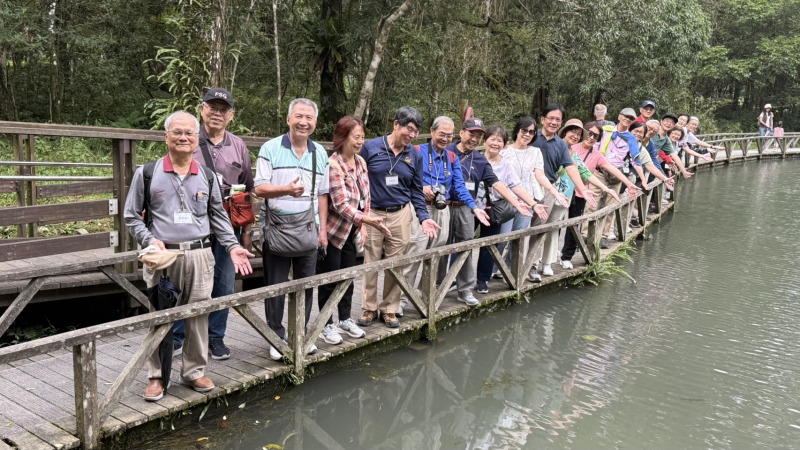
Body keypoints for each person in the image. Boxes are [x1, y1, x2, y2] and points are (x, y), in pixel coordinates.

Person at [124, 111, 254, 401]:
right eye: (177, 132)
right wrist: (148, 239)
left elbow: (219, 217)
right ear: (166, 136)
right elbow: (131, 216)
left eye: (189, 133)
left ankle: (194, 371)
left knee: (197, 315)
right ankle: (156, 376)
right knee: (160, 317)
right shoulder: (147, 173)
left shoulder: (208, 176)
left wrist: (233, 246)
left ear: (197, 139)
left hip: (200, 254)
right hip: (163, 257)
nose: (183, 138)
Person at [172, 87, 253, 361]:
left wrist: (246, 233)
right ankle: (177, 337)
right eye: (212, 107)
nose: (217, 113)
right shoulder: (190, 139)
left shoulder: (238, 146)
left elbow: (248, 190)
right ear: (202, 108)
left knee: (224, 283)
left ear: (231, 115)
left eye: (223, 109)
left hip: (228, 225)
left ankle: (215, 338)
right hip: (192, 225)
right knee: (186, 281)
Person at [254, 98, 330, 361]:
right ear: (288, 119)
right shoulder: (270, 148)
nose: (303, 122)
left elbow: (322, 194)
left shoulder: (319, 153)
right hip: (277, 228)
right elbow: (259, 188)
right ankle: (275, 337)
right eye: (298, 116)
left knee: (306, 285)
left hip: (308, 227)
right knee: (274, 286)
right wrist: (286, 189)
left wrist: (322, 231)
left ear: (315, 123)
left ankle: (300, 334)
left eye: (309, 118)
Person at [357, 106, 441, 329]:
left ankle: (389, 309)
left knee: (396, 264)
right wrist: (360, 216)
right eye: (410, 130)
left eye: (416, 132)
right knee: (371, 262)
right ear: (396, 125)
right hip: (374, 213)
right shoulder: (370, 148)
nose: (413, 136)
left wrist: (423, 217)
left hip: (401, 214)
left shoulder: (414, 154)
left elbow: (416, 190)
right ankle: (369, 307)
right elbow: (358, 181)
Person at [399, 116, 490, 315]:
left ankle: (426, 297)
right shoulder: (416, 151)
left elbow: (459, 186)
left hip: (443, 210)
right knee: (415, 252)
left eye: (449, 135)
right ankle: (402, 299)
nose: (445, 138)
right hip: (420, 208)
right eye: (442, 134)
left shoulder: (451, 158)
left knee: (436, 254)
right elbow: (404, 178)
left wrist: (475, 208)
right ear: (432, 132)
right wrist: (422, 187)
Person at [440, 118, 533, 305]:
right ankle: (437, 285)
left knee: (465, 246)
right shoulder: (445, 152)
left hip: (466, 207)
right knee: (440, 246)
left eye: (478, 135)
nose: (474, 138)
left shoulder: (480, 159)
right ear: (462, 132)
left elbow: (496, 182)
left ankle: (465, 289)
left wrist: (517, 202)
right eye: (471, 134)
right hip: (442, 207)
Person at [315, 116, 391, 344]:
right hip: (333, 232)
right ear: (343, 137)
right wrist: (369, 220)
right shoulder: (334, 165)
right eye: (356, 137)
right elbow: (340, 205)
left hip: (353, 230)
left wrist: (363, 226)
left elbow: (366, 196)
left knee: (348, 278)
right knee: (330, 280)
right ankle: (325, 325)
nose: (360, 141)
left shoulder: (361, 162)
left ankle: (345, 319)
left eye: (362, 137)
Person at [475, 125, 548, 293]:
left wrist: (533, 204)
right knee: (462, 242)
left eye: (499, 141)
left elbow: (517, 186)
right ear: (485, 141)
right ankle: (455, 281)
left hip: (493, 208)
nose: (495, 143)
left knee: (489, 245)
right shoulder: (475, 159)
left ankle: (482, 280)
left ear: (505, 144)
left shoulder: (506, 165)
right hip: (471, 207)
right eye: (492, 139)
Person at [531, 103, 597, 278]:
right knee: (522, 229)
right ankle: (509, 266)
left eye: (557, 119)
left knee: (545, 229)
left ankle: (536, 264)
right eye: (550, 118)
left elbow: (572, 168)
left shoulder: (560, 145)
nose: (553, 122)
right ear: (542, 119)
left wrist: (583, 189)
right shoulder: (531, 137)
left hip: (550, 191)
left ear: (560, 123)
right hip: (527, 188)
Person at [560, 120, 632, 268]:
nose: (592, 137)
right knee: (556, 222)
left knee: (574, 224)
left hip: (581, 193)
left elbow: (612, 169)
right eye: (590, 133)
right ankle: (548, 256)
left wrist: (629, 183)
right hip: (563, 190)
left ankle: (567, 256)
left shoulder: (596, 154)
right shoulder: (570, 147)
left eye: (596, 136)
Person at [491, 117, 552, 282]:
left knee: (519, 238)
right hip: (507, 199)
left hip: (527, 200)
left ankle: (509, 271)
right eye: (524, 130)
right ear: (518, 130)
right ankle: (493, 267)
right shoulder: (504, 151)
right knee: (503, 237)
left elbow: (539, 174)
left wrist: (553, 191)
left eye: (531, 132)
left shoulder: (535, 152)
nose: (527, 134)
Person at [580, 108, 646, 249]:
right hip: (600, 172)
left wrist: (643, 180)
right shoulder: (606, 130)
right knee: (592, 203)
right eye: (625, 116)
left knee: (611, 206)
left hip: (616, 176)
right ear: (619, 116)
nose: (627, 119)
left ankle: (604, 236)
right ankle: (585, 234)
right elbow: (594, 146)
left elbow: (636, 160)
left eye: (631, 118)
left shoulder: (631, 139)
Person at [654, 112, 693, 180]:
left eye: (672, 123)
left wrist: (684, 171)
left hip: (650, 164)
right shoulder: (653, 131)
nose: (669, 124)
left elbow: (674, 155)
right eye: (667, 121)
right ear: (661, 121)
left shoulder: (666, 140)